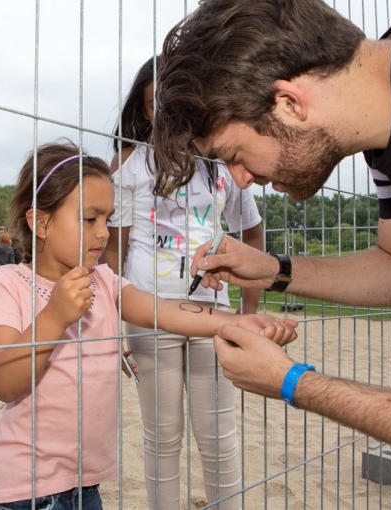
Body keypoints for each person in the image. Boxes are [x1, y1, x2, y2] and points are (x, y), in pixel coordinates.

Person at [152, 0, 391, 502]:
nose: (243, 180)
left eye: (234, 156)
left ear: (289, 102)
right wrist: (272, 270)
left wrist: (295, 383)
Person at [0, 141, 298, 509]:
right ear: (41, 222)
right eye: (89, 218)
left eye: (108, 219)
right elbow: (4, 383)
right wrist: (54, 316)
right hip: (20, 489)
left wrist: (241, 323)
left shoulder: (105, 282)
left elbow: (166, 310)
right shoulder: (7, 282)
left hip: (85, 486)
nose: (104, 233)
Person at [103, 56, 264, 510]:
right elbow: (112, 250)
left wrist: (248, 315)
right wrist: (113, 324)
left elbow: (252, 234)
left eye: (178, 99)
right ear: (146, 108)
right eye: (158, 103)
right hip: (148, 316)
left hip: (215, 316)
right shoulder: (129, 163)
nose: (168, 111)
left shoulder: (220, 162)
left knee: (219, 435)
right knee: (162, 436)